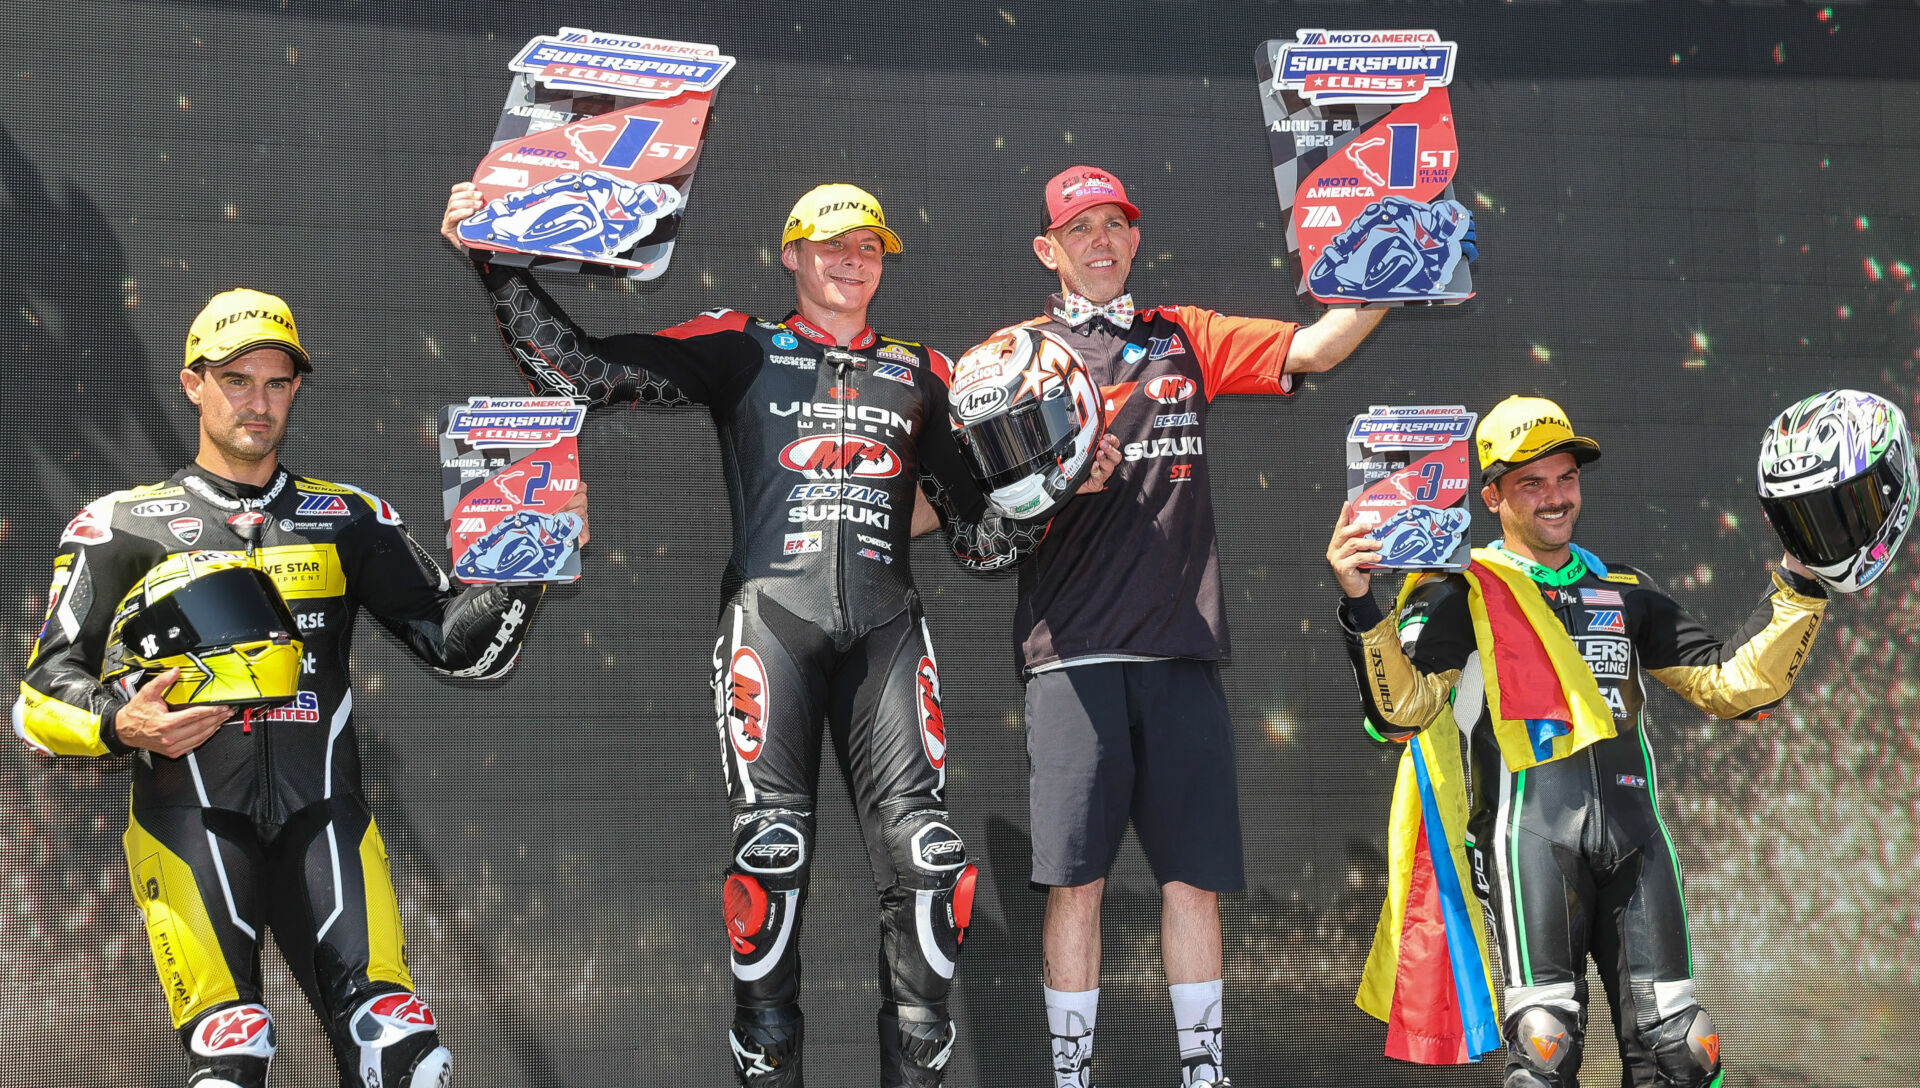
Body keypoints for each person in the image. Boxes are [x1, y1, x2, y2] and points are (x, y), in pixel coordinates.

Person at [440, 180, 1116, 1088]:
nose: (850, 261)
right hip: (771, 626)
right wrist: (494, 262)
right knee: (771, 858)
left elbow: (981, 545)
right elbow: (579, 373)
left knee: (930, 865)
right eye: (831, 245)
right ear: (792, 255)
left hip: (887, 634)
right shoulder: (742, 345)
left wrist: (1052, 489)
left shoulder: (928, 373)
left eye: (869, 248)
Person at [14, 288, 568, 1088]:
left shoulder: (348, 517)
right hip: (190, 824)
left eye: (276, 382)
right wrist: (121, 723)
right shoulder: (120, 526)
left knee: (407, 1057)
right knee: (232, 1056)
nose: (258, 401)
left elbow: (459, 647)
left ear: (297, 389)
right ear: (192, 383)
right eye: (236, 380)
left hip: (325, 820)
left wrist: (535, 554)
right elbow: (39, 695)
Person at [971, 165, 1420, 1088]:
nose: (1100, 241)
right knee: (1076, 883)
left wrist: (1402, 253)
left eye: (1114, 225)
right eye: (1080, 228)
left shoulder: (1184, 335)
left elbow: (1322, 348)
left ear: (1134, 239)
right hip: (1073, 659)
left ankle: (1202, 1074)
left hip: (1180, 652)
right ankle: (1071, 1076)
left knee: (1193, 881)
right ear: (1047, 251)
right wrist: (1054, 484)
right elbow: (977, 509)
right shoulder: (1006, 356)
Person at [1327, 395, 1831, 1088]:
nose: (1555, 498)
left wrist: (1802, 581)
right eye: (1532, 483)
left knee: (1683, 1050)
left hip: (1636, 836)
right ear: (1493, 494)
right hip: (1525, 838)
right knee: (1544, 1047)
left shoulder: (1626, 589)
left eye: (1566, 478)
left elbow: (1736, 686)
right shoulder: (1460, 591)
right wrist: (1360, 604)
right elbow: (1401, 713)